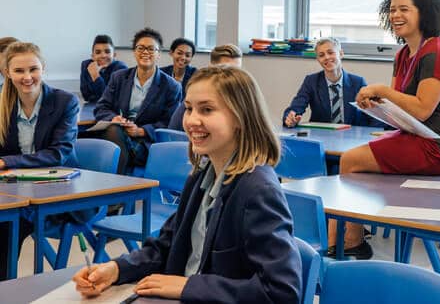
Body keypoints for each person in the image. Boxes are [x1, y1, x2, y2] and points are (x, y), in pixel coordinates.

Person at [72, 66, 302, 303]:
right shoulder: (200, 176)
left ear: (241, 118)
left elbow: (281, 292)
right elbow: (166, 247)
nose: (192, 120)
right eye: (189, 108)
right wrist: (117, 269)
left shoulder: (258, 191)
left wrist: (189, 286)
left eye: (207, 110)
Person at [329, 0, 440, 259]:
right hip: (415, 137)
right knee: (354, 160)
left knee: (350, 160)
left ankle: (347, 243)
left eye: (405, 9)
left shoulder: (438, 51)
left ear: (424, 11)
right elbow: (400, 112)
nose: (396, 15)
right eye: (392, 9)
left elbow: (422, 108)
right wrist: (377, 104)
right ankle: (348, 240)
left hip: (439, 146)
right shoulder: (403, 54)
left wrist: (382, 91)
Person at [0, 42, 79, 280]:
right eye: (19, 71)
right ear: (7, 73)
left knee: (5, 226)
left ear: (43, 68)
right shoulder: (3, 104)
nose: (27, 77)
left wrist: (6, 162)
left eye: (33, 69)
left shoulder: (65, 101)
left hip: (59, 192)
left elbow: (58, 154)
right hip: (15, 189)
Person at [94, 28, 181, 173]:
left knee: (111, 143)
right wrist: (114, 118)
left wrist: (141, 131)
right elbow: (102, 107)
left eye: (151, 49)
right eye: (140, 48)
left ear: (159, 54)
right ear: (134, 52)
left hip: (146, 142)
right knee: (113, 131)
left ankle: (116, 188)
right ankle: (120, 188)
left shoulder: (171, 86)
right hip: (118, 132)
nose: (145, 52)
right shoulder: (119, 77)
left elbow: (170, 122)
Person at [283, 37, 381, 128]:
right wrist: (290, 117)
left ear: (341, 54)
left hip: (351, 138)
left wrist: (369, 135)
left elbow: (374, 114)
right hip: (322, 136)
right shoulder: (311, 81)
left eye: (330, 52)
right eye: (321, 55)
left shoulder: (358, 82)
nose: (326, 57)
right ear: (318, 60)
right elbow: (296, 107)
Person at [168, 44, 243, 131]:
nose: (233, 76)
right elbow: (172, 131)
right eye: (227, 71)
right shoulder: (197, 97)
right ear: (211, 68)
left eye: (237, 71)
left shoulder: (243, 98)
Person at [79, 34, 128, 103]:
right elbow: (86, 95)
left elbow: (109, 99)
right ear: (92, 56)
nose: (103, 55)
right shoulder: (86, 65)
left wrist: (96, 76)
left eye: (107, 52)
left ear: (114, 55)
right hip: (91, 106)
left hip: (112, 109)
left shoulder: (121, 68)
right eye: (98, 52)